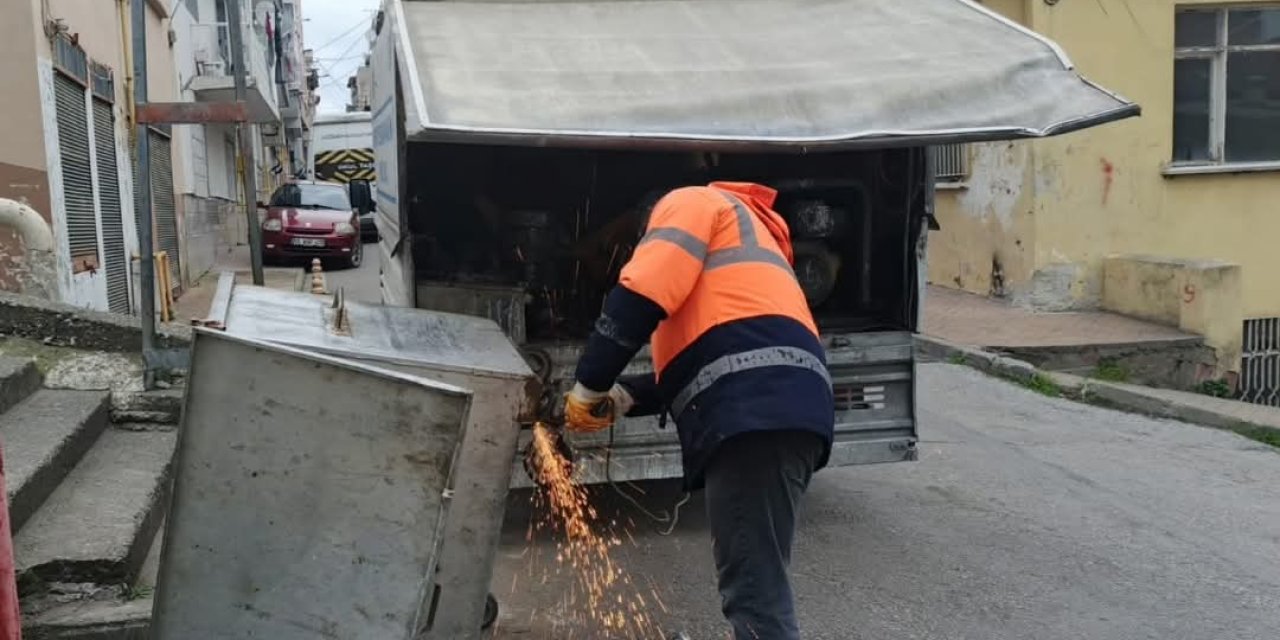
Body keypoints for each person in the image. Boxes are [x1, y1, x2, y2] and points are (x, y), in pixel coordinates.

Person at [563, 181, 834, 640]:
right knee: (758, 578)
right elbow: (720, 357)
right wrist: (626, 397)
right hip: (781, 405)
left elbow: (642, 293)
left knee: (755, 593)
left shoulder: (688, 202)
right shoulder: (747, 241)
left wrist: (589, 384)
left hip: (756, 415)